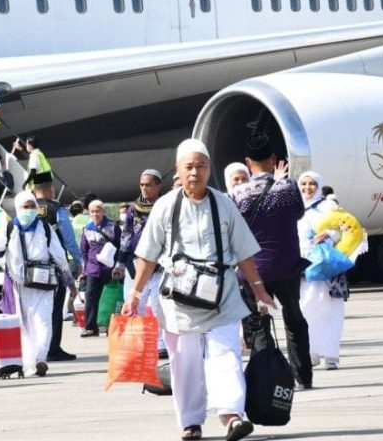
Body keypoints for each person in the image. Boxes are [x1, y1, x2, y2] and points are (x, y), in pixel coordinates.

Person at [123, 139, 273, 441]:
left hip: (223, 296)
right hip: (178, 301)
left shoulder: (224, 203)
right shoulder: (165, 206)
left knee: (226, 354)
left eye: (201, 166)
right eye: (188, 167)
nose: (195, 172)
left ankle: (232, 415)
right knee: (185, 363)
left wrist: (259, 290)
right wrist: (135, 295)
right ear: (178, 170)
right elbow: (147, 257)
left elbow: (244, 252)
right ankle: (190, 422)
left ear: (209, 169)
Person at [231, 133, 313, 390]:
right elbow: (299, 213)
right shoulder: (288, 188)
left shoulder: (237, 193)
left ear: (247, 161)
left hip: (252, 269)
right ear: (274, 158)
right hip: (286, 265)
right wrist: (281, 180)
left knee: (258, 324)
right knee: (294, 320)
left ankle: (264, 376)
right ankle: (303, 376)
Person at [0, 192, 76, 377]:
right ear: (18, 208)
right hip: (18, 286)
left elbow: (59, 256)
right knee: (23, 326)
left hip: (43, 285)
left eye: (32, 206)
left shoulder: (46, 229)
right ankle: (28, 362)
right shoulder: (9, 228)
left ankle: (40, 359)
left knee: (43, 322)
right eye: (25, 207)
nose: (29, 210)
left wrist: (70, 282)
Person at [296, 172, 358, 371]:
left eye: (312, 184)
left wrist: (328, 235)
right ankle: (312, 352)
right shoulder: (295, 207)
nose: (307, 188)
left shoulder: (329, 207)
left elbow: (345, 228)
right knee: (306, 309)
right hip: (305, 265)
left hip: (328, 266)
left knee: (331, 310)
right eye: (303, 183)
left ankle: (331, 354)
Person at [31, 171, 82, 362]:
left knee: (37, 308)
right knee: (55, 307)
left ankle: (37, 347)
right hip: (54, 266)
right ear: (51, 189)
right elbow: (68, 239)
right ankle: (53, 348)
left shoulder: (28, 208)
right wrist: (78, 260)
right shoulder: (56, 209)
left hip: (33, 268)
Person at [119, 168, 168, 357]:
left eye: (148, 185)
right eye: (142, 185)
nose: (144, 188)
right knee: (133, 305)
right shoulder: (133, 209)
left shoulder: (165, 206)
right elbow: (126, 235)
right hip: (136, 264)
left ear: (158, 186)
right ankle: (136, 344)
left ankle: (161, 344)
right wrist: (121, 263)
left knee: (158, 307)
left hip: (160, 266)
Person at [78, 200, 124, 337]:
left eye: (97, 211)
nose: (95, 214)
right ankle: (91, 327)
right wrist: (84, 271)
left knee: (111, 298)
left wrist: (118, 266)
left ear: (103, 212)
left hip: (110, 269)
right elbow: (84, 251)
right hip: (93, 269)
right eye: (92, 211)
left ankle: (111, 326)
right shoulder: (87, 229)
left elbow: (121, 247)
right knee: (91, 297)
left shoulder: (113, 227)